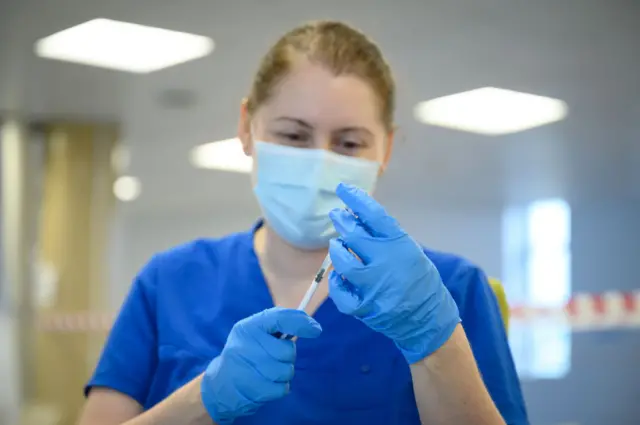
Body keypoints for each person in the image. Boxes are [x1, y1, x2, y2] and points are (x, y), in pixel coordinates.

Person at [78, 20, 529, 425]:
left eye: (349, 143)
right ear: (246, 127)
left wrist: (435, 342)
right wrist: (202, 400)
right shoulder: (169, 283)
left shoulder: (451, 290)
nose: (319, 162)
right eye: (293, 135)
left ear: (385, 151)